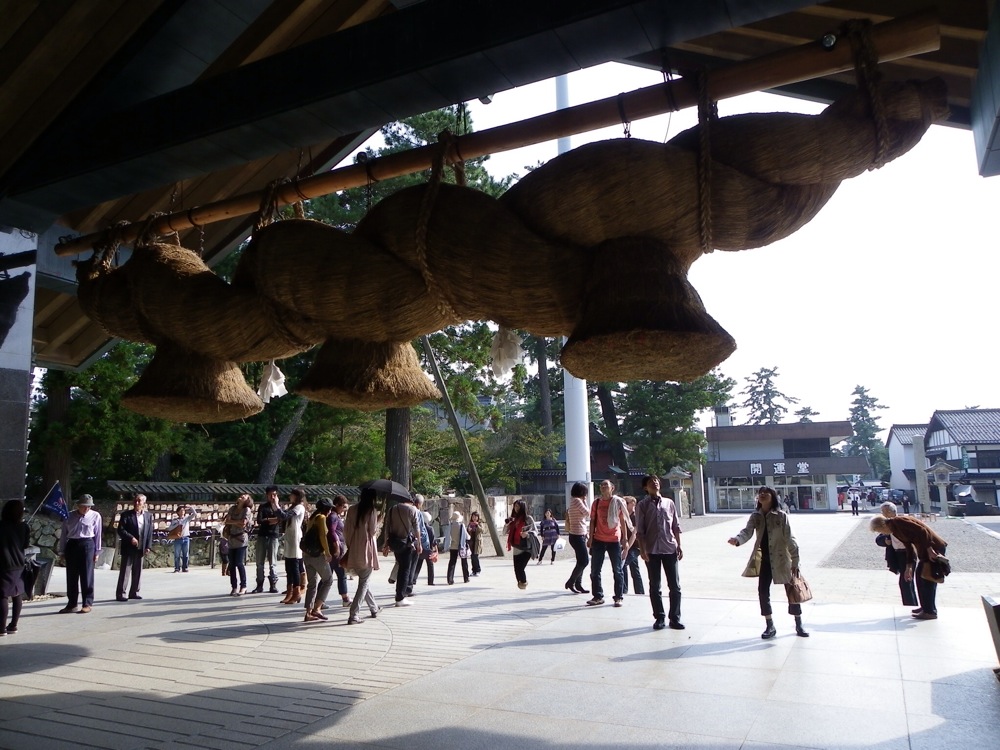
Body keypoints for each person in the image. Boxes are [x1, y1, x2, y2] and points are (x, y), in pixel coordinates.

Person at [728, 486, 809, 639]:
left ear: (773, 497)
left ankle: (798, 624)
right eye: (760, 493)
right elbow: (747, 531)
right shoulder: (755, 516)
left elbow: (790, 539)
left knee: (792, 591)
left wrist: (795, 561)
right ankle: (769, 625)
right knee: (763, 591)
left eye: (766, 493)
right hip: (765, 560)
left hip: (782, 560)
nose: (763, 495)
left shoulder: (781, 516)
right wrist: (737, 540)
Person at [870, 513, 947, 620]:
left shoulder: (899, 521)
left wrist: (930, 550)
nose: (881, 533)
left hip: (934, 547)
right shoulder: (894, 530)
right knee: (920, 578)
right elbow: (909, 547)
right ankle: (925, 608)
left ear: (882, 526)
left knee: (927, 579)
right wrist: (908, 568)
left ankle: (930, 611)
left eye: (878, 530)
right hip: (925, 549)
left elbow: (922, 531)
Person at [635, 477, 683, 630]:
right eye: (651, 482)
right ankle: (659, 617)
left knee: (675, 586)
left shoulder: (669, 503)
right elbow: (640, 531)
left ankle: (675, 618)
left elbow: (675, 526)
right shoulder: (642, 505)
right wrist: (642, 550)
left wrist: (679, 545)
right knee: (655, 586)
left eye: (656, 481)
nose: (654, 483)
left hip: (669, 548)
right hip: (652, 550)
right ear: (645, 488)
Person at [586, 479, 633, 607]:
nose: (603, 487)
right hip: (599, 539)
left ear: (612, 488)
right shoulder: (596, 503)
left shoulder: (617, 502)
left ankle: (618, 597)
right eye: (601, 485)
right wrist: (590, 538)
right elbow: (592, 520)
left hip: (614, 539)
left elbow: (622, 521)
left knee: (617, 570)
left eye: (605, 485)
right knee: (595, 570)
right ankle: (597, 596)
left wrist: (625, 539)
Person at [58, 494, 103, 614]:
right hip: (72, 544)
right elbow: (64, 534)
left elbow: (98, 534)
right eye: (84, 506)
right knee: (71, 576)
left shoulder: (95, 516)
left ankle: (87, 603)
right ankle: (72, 603)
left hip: (87, 544)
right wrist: (62, 551)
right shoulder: (69, 515)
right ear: (78, 505)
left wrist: (97, 552)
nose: (86, 508)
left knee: (87, 575)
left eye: (89, 506)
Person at [344, 488, 382, 624]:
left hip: (354, 547)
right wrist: (378, 521)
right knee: (364, 582)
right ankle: (354, 614)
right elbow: (372, 531)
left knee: (364, 581)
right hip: (366, 548)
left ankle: (374, 608)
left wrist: (350, 545)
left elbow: (346, 530)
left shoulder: (352, 509)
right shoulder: (371, 510)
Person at [875, 502, 918, 608]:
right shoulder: (887, 524)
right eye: (882, 512)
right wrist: (885, 541)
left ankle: (910, 606)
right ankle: (912, 605)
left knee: (906, 581)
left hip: (907, 554)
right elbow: (879, 539)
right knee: (906, 582)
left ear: (891, 512)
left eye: (884, 511)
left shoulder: (902, 522)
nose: (883, 514)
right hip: (897, 554)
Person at [384, 494, 422, 606]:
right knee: (405, 570)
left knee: (400, 566)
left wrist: (386, 543)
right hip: (406, 543)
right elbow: (416, 528)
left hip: (395, 542)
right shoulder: (412, 510)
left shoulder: (392, 509)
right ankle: (400, 597)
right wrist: (419, 544)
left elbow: (387, 527)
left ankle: (399, 594)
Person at [302, 498, 334, 622]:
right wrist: (327, 553)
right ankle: (317, 608)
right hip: (317, 555)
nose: (330, 511)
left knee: (312, 584)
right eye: (330, 509)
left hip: (307, 554)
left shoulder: (312, 518)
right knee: (328, 580)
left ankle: (308, 613)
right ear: (327, 509)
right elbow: (323, 536)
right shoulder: (321, 518)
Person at [115, 493, 153, 601]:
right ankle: (121, 593)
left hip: (141, 547)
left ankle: (134, 592)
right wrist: (131, 538)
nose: (137, 503)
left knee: (138, 571)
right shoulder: (126, 515)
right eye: (135, 501)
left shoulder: (148, 516)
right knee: (125, 571)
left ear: (144, 503)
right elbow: (121, 530)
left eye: (139, 501)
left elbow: (149, 532)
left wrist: (148, 546)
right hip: (128, 547)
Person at [0, 499, 30, 635]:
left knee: (2, 595)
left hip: (3, 564)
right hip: (19, 564)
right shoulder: (24, 527)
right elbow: (25, 545)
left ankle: (1, 628)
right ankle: (13, 625)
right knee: (17, 594)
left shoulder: (1, 526)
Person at [252, 486, 286, 593]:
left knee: (273, 562)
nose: (272, 497)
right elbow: (259, 520)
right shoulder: (263, 507)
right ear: (267, 495)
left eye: (274, 495)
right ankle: (259, 584)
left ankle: (273, 584)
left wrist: (270, 518)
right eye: (270, 495)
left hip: (273, 535)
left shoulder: (279, 507)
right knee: (259, 562)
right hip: (262, 535)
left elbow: (281, 519)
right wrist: (270, 520)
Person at [222, 494, 253, 596]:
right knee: (232, 564)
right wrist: (236, 522)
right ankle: (234, 586)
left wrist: (232, 522)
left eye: (245, 496)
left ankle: (243, 586)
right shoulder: (232, 508)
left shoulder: (246, 510)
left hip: (241, 539)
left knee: (239, 563)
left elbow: (243, 523)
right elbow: (227, 521)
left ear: (247, 500)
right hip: (231, 538)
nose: (242, 496)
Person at [280, 489, 306, 604]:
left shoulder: (299, 507)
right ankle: (289, 592)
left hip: (295, 538)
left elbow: (285, 515)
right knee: (289, 566)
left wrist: (276, 506)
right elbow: (282, 516)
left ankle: (296, 592)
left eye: (292, 495)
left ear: (296, 496)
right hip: (289, 537)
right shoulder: (292, 507)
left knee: (294, 566)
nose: (290, 496)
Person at [564, 482, 591, 594]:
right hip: (577, 535)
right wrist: (585, 501)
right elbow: (588, 513)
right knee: (584, 561)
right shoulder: (577, 501)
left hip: (577, 535)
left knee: (580, 561)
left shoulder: (573, 501)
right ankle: (571, 582)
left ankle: (578, 584)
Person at [503, 499, 535, 589]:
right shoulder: (513, 519)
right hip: (516, 548)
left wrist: (527, 534)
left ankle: (524, 583)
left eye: (518, 506)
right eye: (515, 506)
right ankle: (521, 584)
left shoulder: (528, 519)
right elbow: (504, 532)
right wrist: (507, 525)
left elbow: (535, 531)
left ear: (522, 507)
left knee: (520, 568)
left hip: (526, 548)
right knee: (516, 570)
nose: (516, 508)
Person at [328, 495, 351, 607]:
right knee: (339, 575)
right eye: (342, 507)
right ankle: (345, 598)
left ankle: (319, 599)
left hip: (337, 550)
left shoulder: (335, 515)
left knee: (329, 577)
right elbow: (332, 531)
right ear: (337, 505)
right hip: (336, 550)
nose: (343, 509)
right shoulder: (333, 516)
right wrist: (337, 545)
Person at [620, 495, 645, 597]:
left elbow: (634, 534)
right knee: (635, 569)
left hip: (635, 546)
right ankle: (640, 592)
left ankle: (623, 590)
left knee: (623, 563)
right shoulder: (623, 515)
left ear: (633, 504)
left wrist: (627, 548)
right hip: (626, 545)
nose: (624, 505)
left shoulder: (635, 516)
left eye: (626, 503)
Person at [166, 504, 199, 572]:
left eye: (183, 510)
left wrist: (190, 507)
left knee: (185, 554)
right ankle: (177, 568)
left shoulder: (187, 518)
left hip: (186, 538)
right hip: (178, 538)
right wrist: (177, 524)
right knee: (177, 554)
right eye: (181, 510)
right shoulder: (175, 520)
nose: (182, 512)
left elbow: (195, 514)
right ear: (178, 512)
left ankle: (185, 567)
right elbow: (169, 528)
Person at [412, 502, 436, 586]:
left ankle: (414, 579)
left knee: (418, 564)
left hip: (420, 547)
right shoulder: (430, 528)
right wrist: (435, 549)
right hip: (428, 549)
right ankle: (430, 581)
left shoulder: (419, 528)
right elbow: (433, 540)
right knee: (430, 565)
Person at [444, 511, 470, 584]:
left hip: (453, 546)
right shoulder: (461, 525)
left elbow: (447, 536)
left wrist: (446, 546)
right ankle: (466, 578)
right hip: (461, 546)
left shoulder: (450, 525)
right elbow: (467, 536)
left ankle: (450, 579)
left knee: (452, 562)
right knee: (464, 562)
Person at [467, 510, 484, 576]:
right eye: (473, 516)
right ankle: (473, 570)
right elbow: (467, 532)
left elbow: (482, 530)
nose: (474, 518)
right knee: (472, 557)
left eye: (476, 517)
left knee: (475, 556)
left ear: (478, 517)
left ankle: (478, 570)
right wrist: (469, 530)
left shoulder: (480, 523)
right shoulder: (470, 523)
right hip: (471, 541)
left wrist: (477, 525)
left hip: (477, 542)